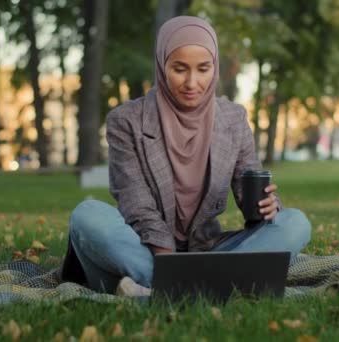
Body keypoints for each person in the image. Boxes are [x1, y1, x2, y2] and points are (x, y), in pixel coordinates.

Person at [59, 16, 311, 296]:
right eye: (180, 69)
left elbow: (247, 188)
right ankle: (216, 285)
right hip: (144, 247)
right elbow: (135, 202)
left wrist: (268, 207)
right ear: (161, 65)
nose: (192, 82)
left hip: (210, 250)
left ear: (215, 67)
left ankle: (159, 290)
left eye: (203, 69)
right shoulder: (127, 121)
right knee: (87, 215)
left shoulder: (233, 119)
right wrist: (169, 262)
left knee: (295, 223)